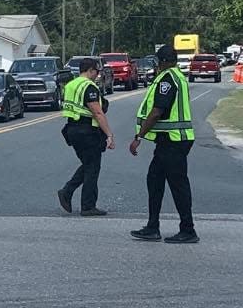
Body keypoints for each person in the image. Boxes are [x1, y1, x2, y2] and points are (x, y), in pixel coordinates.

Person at [128, 44, 198, 243]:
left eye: (159, 62)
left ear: (163, 62)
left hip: (173, 141)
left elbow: (158, 111)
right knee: (154, 180)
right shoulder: (178, 76)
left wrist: (139, 136)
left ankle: (188, 229)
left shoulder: (167, 79)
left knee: (178, 185)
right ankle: (152, 227)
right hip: (170, 141)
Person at [57, 58, 115, 216]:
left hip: (72, 130)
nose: (98, 75)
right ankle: (87, 206)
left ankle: (67, 192)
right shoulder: (89, 86)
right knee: (93, 167)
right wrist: (109, 134)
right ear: (90, 70)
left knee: (89, 165)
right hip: (86, 131)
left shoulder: (71, 85)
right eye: (96, 71)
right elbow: (97, 112)